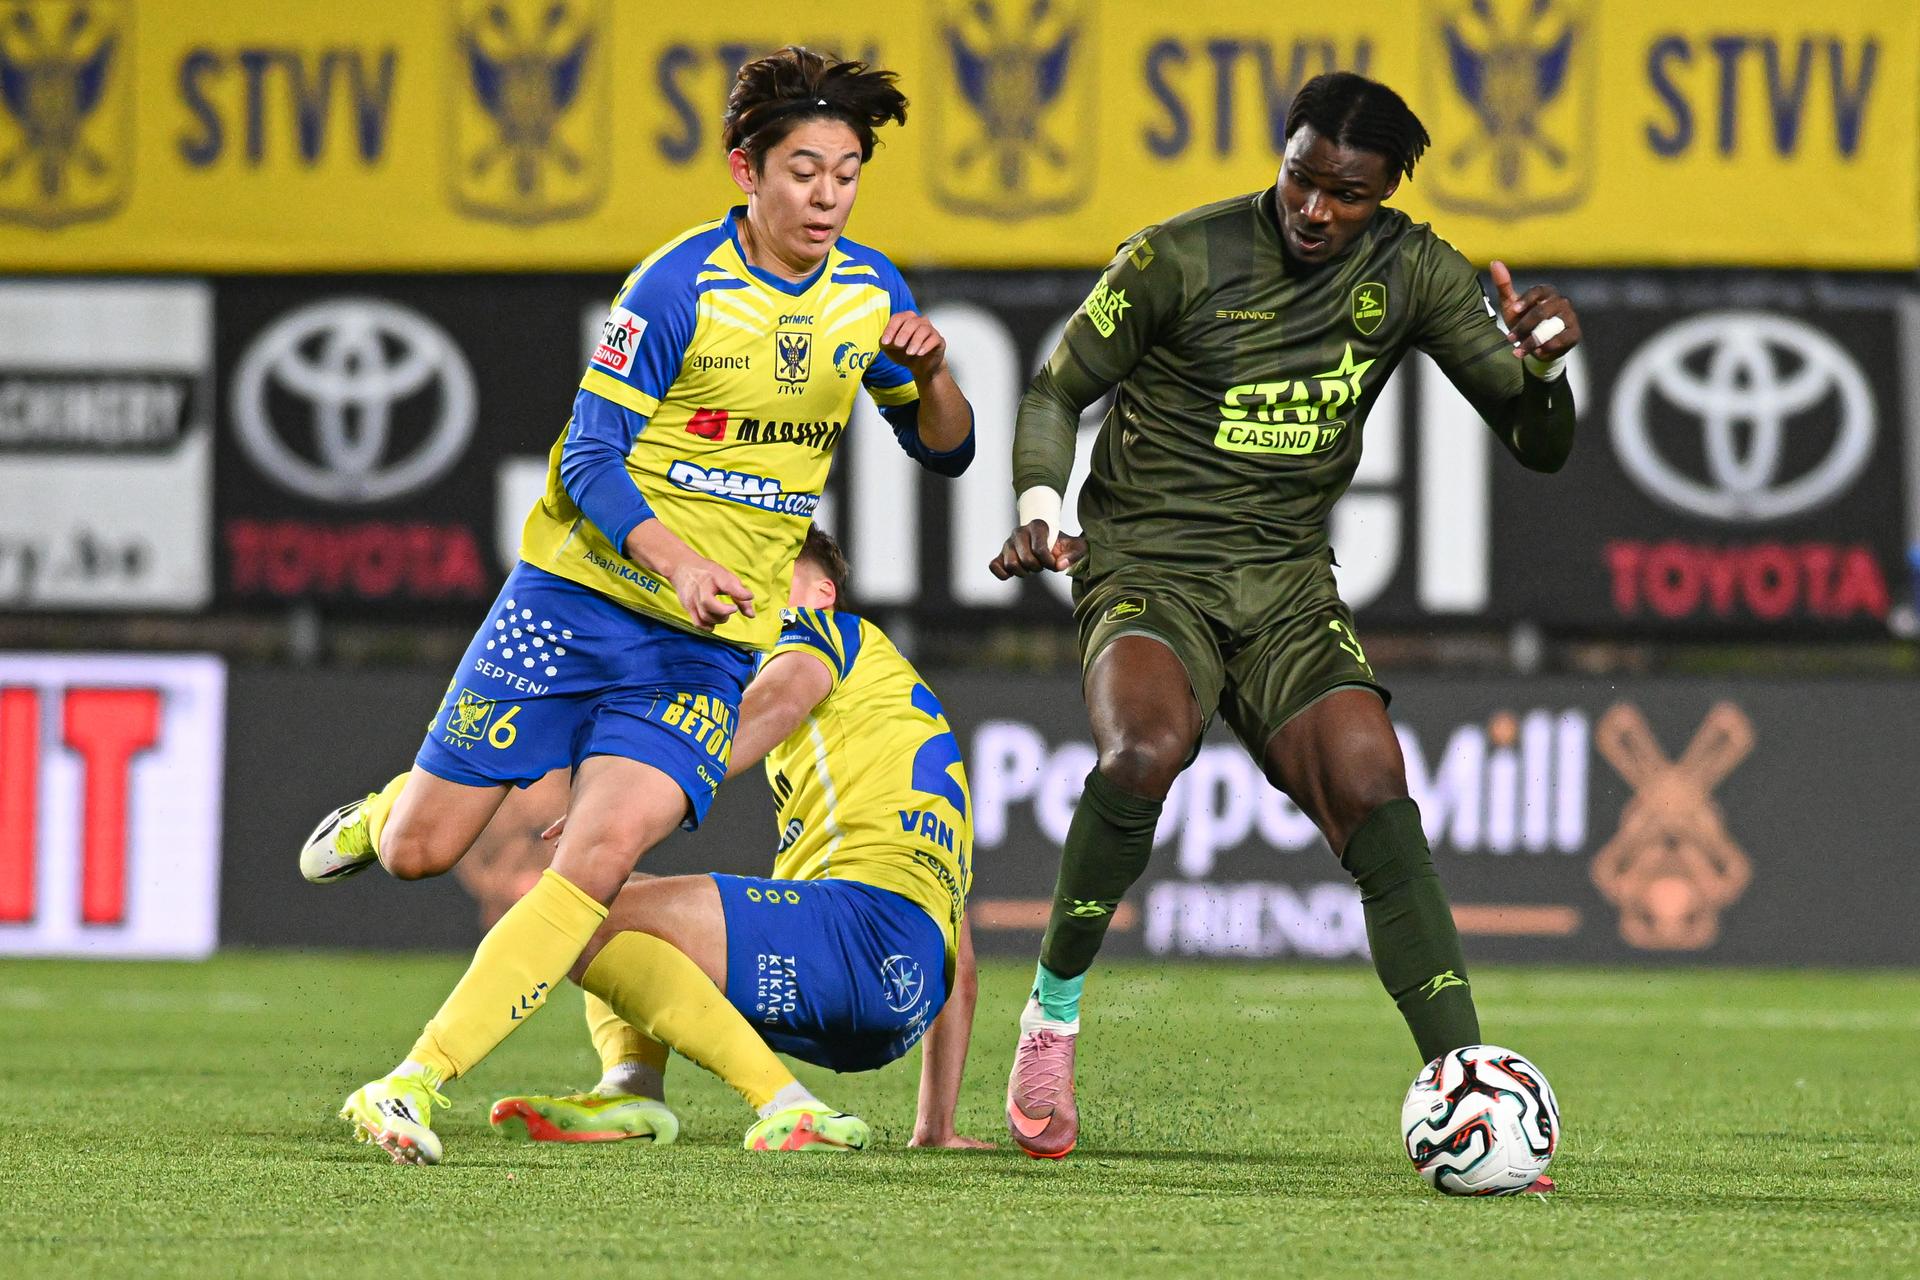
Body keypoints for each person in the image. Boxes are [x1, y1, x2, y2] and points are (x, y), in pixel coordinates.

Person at [302, 46, 975, 1165]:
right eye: (804, 171)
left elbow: (945, 449)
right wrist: (677, 561)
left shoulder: (871, 293)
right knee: (425, 849)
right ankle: (388, 812)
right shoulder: (677, 286)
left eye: (847, 174)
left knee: (600, 858)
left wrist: (935, 371)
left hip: (706, 644)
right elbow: (588, 457)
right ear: (746, 171)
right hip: (576, 603)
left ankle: (413, 1083)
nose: (827, 196)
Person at [987, 71, 1580, 1160]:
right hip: (1151, 562)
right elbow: (1056, 389)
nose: (1314, 209)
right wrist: (1039, 506)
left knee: (1375, 788)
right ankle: (1051, 1018)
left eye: (1346, 194)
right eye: (1301, 178)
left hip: (1287, 581)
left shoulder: (1413, 271)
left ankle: (1472, 1090)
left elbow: (1538, 443)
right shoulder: (1179, 257)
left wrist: (1543, 370)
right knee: (1143, 751)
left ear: (1386, 192)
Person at [487, 527, 989, 1152]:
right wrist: (936, 1128)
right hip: (896, 1005)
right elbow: (960, 963)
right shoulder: (899, 722)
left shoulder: (825, 633)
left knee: (578, 909)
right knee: (609, 888)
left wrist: (645, 784)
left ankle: (776, 1104)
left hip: (852, 939)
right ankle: (633, 1090)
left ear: (822, 594)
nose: (750, 590)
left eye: (773, 572)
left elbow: (776, 704)